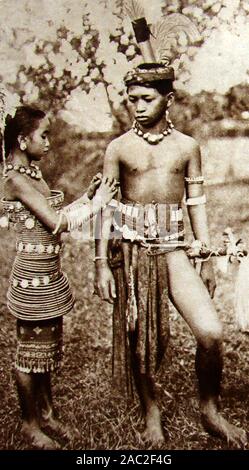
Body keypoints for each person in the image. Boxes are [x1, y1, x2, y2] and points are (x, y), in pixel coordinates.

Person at [94, 60, 247, 447]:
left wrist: (206, 255)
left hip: (175, 250)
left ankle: (209, 409)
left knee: (211, 333)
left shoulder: (187, 147)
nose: (138, 106)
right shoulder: (118, 148)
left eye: (147, 99)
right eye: (132, 100)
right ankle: (151, 410)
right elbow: (104, 207)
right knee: (138, 336)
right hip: (133, 254)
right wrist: (101, 264)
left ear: (169, 99)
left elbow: (196, 201)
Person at [0, 105, 117, 450]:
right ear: (23, 140)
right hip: (31, 280)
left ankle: (47, 414)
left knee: (46, 349)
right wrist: (97, 205)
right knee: (28, 353)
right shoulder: (14, 179)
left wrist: (90, 196)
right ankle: (29, 423)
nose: (49, 142)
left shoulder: (33, 174)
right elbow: (56, 224)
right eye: (44, 135)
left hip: (48, 276)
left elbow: (56, 214)